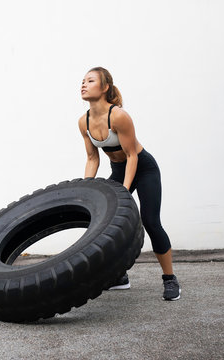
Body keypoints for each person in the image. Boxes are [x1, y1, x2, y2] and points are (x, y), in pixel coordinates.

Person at [78, 66, 181, 301]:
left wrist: (124, 191)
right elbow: (92, 158)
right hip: (119, 168)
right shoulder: (83, 122)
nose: (83, 84)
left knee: (151, 222)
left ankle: (170, 279)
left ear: (105, 88)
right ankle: (120, 277)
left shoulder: (119, 116)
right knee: (107, 222)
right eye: (82, 81)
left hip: (143, 169)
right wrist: (85, 188)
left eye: (90, 80)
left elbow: (132, 155)